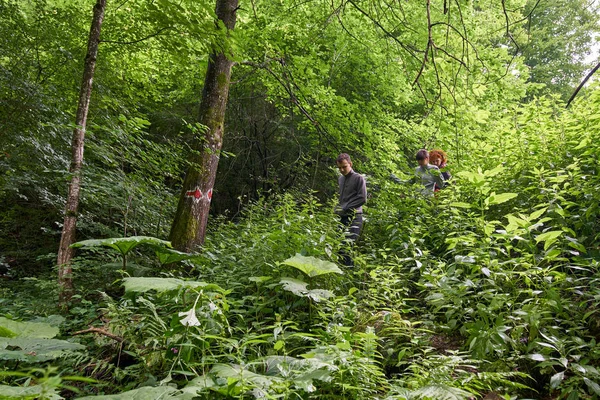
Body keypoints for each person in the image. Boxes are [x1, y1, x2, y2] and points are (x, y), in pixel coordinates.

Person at [335, 153, 367, 266]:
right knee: (339, 248)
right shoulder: (341, 179)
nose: (342, 170)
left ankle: (349, 273)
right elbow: (341, 197)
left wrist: (346, 207)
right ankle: (341, 273)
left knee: (347, 247)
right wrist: (336, 208)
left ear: (350, 164)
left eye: (344, 166)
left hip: (354, 217)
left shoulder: (358, 178)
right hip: (342, 217)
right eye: (340, 168)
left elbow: (362, 198)